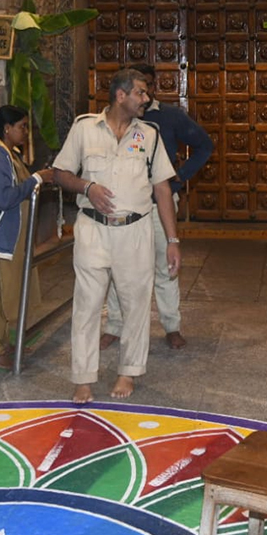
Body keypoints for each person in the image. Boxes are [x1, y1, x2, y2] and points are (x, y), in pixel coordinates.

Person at [53, 68, 181, 403]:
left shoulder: (149, 135)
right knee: (86, 305)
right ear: (120, 95)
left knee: (136, 305)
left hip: (136, 231)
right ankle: (83, 378)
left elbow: (162, 189)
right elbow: (60, 172)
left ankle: (128, 372)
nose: (147, 98)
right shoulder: (84, 129)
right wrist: (87, 187)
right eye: (140, 92)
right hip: (93, 229)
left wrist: (172, 240)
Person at [101, 63, 213, 351]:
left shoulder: (169, 116)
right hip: (123, 207)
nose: (145, 95)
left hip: (158, 205)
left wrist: (181, 175)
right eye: (139, 89)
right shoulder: (111, 119)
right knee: (118, 267)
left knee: (167, 265)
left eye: (147, 87)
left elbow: (204, 145)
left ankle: (171, 325)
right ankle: (114, 325)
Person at [0, 105, 55, 369]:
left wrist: (38, 176)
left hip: (11, 237)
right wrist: (38, 179)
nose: (25, 132)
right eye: (22, 127)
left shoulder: (9, 153)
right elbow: (5, 197)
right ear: (7, 129)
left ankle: (4, 344)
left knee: (8, 294)